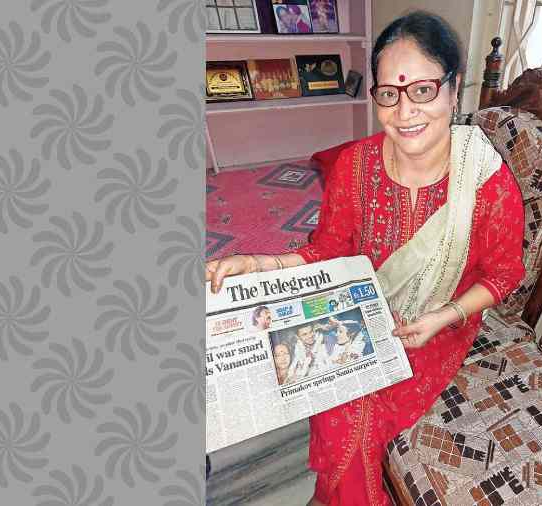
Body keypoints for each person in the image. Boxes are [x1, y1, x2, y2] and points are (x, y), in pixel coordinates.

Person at [205, 11, 524, 505]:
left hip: (441, 323)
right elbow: (325, 251)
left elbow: (503, 274)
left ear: (452, 89)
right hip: (362, 310)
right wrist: (257, 265)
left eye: (422, 90)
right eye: (388, 93)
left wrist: (442, 317)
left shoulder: (485, 179)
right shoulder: (355, 166)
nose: (405, 111)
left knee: (350, 405)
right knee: (332, 385)